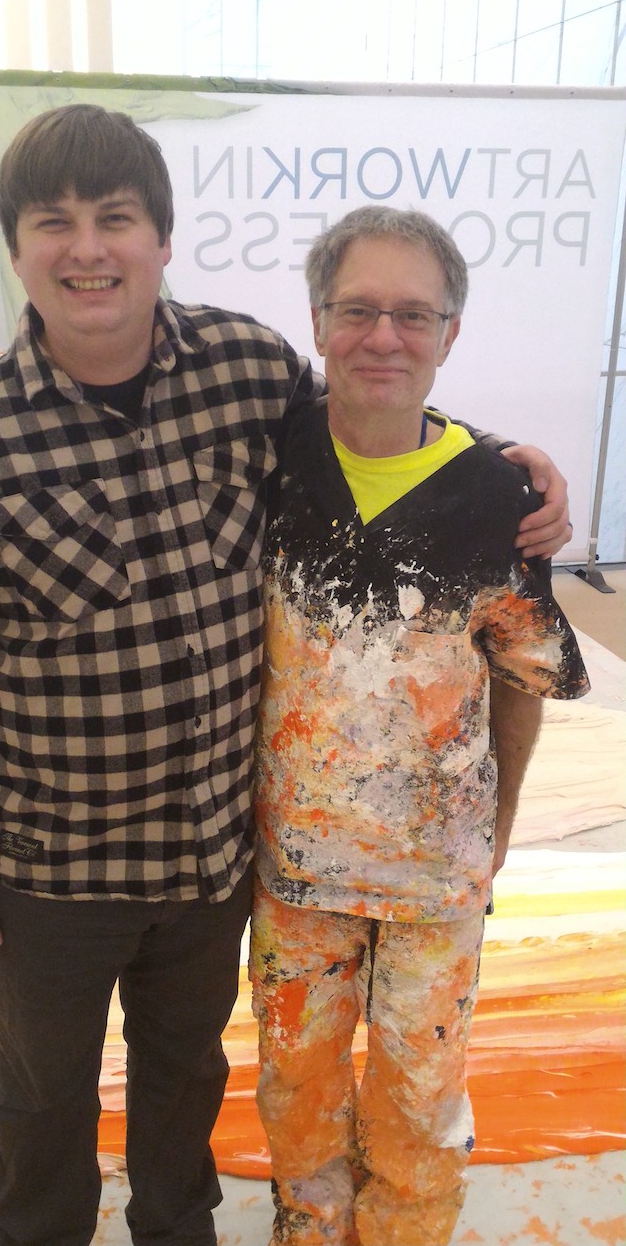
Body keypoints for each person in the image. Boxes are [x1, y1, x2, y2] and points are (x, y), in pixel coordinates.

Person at [0, 106, 571, 1246]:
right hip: (46, 862)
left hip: (210, 855)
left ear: (162, 239)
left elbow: (379, 427)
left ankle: (175, 1232)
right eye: (56, 223)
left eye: (118, 220)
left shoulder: (247, 370)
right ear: (16, 249)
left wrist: (506, 469)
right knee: (42, 1092)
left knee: (186, 1078)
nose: (89, 249)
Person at [249, 206, 589, 1246]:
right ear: (317, 319)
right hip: (294, 868)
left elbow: (523, 673)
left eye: (412, 314)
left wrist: (496, 836)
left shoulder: (498, 496)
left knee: (421, 1100)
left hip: (437, 879)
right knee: (296, 1093)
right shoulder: (263, 464)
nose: (383, 337)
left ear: (451, 332)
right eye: (358, 310)